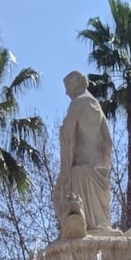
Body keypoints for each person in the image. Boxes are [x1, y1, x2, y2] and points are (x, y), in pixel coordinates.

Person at [53, 70, 114, 236]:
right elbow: (108, 141)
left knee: (59, 195)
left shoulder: (78, 103)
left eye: (68, 86)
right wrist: (104, 166)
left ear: (78, 82)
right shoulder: (96, 105)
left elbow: (68, 134)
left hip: (79, 170)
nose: (66, 93)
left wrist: (66, 173)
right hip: (97, 170)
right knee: (100, 223)